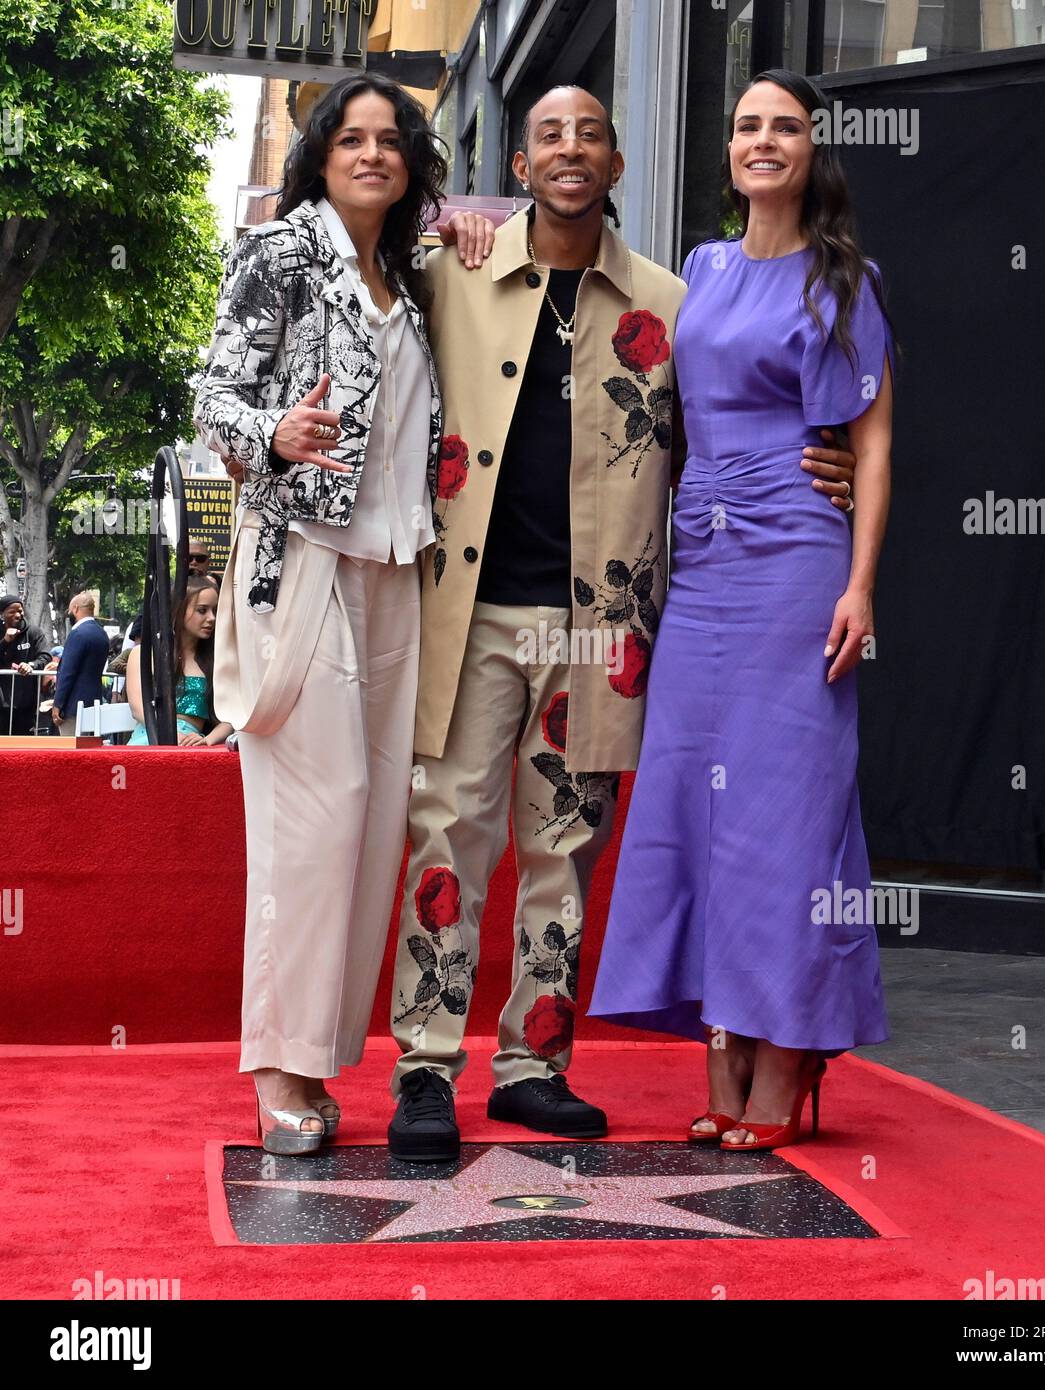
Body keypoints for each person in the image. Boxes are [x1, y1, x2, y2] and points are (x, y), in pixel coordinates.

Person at [385, 84, 861, 1163]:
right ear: (519, 164)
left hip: (601, 627)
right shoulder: (453, 273)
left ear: (616, 164)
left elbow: (739, 409)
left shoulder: (672, 301)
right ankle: (425, 1066)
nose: (570, 150)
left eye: (590, 135)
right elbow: (373, 262)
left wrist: (822, 459)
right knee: (447, 838)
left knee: (563, 852)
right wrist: (449, 217)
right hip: (473, 612)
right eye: (549, 136)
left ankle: (533, 1066)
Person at [589, 70, 894, 1151]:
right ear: (728, 150)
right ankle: (724, 1044)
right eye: (747, 126)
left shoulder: (844, 277)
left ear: (813, 150)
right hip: (702, 562)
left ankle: (788, 1054)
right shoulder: (704, 270)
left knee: (789, 811)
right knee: (692, 800)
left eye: (786, 127)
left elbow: (871, 446)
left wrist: (859, 585)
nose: (764, 140)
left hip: (797, 556)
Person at [195, 73, 493, 1155]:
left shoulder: (405, 277)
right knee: (312, 825)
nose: (371, 154)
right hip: (304, 564)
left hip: (396, 574)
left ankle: (316, 1062)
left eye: (390, 141)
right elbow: (211, 397)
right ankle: (277, 1071)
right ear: (319, 156)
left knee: (368, 830)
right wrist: (272, 434)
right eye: (350, 139)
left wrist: (465, 225)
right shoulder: (280, 253)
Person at [124, 576, 233, 747]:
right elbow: (138, 708)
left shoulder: (217, 660)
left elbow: (230, 718)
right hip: (150, 738)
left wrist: (207, 740)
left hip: (192, 745)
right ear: (179, 609)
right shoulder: (142, 654)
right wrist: (171, 733)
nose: (212, 618)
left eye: (215, 611)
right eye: (202, 610)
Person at [51, 591, 110, 736]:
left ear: (76, 608)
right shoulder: (102, 634)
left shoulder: (77, 633)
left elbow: (67, 672)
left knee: (70, 746)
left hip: (73, 705)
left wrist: (58, 704)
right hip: (94, 701)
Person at [0, 594, 51, 736]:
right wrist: (5, 641)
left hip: (26, 702)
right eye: (12, 612)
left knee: (23, 741)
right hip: (2, 702)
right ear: (2, 614)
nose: (18, 615)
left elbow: (45, 656)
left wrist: (31, 665)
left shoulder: (33, 632)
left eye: (20, 611)